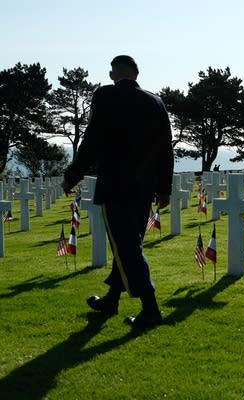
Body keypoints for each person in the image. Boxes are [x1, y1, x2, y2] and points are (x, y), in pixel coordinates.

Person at [62, 55, 174, 328]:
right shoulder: (155, 102)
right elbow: (165, 149)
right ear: (137, 74)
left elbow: (93, 138)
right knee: (126, 243)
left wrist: (73, 174)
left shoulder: (106, 96)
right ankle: (112, 298)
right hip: (144, 189)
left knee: (128, 247)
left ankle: (151, 308)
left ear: (113, 74)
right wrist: (164, 188)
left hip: (116, 186)